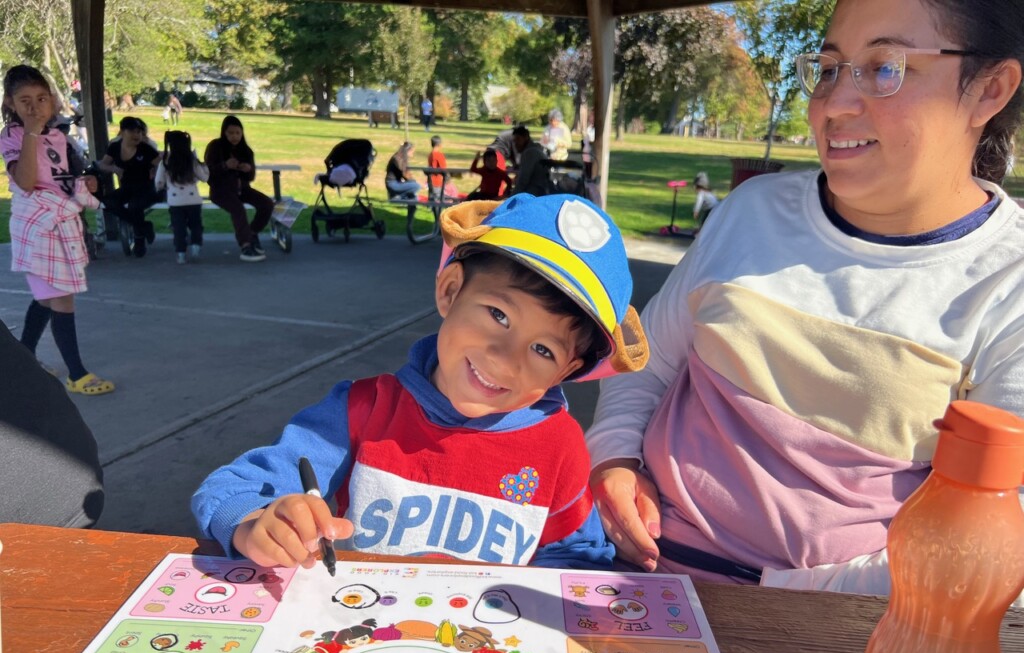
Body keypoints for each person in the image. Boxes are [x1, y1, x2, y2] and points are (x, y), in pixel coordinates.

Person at [586, 0, 1024, 594]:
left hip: (843, 623)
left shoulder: (1008, 282)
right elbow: (644, 361)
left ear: (990, 89)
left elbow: (994, 530)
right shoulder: (752, 211)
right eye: (827, 67)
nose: (834, 104)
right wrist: (615, 458)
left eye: (885, 66)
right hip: (638, 573)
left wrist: (784, 601)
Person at [191, 193, 650, 569]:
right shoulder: (362, 410)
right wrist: (255, 523)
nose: (506, 360)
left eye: (544, 350)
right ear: (450, 290)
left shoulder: (559, 447)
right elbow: (230, 487)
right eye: (498, 315)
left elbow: (576, 558)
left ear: (569, 370)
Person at [1, 65, 114, 396]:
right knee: (61, 298)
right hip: (37, 229)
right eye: (25, 101)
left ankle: (23, 358)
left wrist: (86, 183)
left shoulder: (59, 138)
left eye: (41, 99)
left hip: (61, 226)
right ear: (10, 103)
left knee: (47, 297)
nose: (34, 108)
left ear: (51, 101)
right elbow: (24, 181)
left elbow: (63, 180)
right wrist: (31, 133)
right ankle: (77, 374)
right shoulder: (12, 136)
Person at [0, 319, 104, 526]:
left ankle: (76, 371)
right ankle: (75, 370)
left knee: (56, 303)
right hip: (78, 487)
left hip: (32, 521)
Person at [204, 115, 275, 263]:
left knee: (267, 204)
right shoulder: (215, 147)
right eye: (230, 133)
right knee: (238, 209)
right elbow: (206, 173)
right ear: (224, 132)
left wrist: (247, 169)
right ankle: (246, 245)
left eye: (238, 133)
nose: (234, 136)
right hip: (220, 191)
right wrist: (224, 166)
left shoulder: (246, 150)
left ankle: (252, 232)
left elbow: (251, 177)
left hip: (242, 188)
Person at [97, 115, 162, 257]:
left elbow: (161, 162)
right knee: (108, 202)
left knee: (134, 206)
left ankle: (139, 240)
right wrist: (114, 169)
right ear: (123, 132)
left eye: (139, 132)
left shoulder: (145, 148)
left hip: (146, 188)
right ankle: (144, 226)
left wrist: (155, 172)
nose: (137, 135)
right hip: (127, 187)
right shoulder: (114, 147)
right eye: (132, 131)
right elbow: (102, 164)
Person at [155, 130, 208, 265]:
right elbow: (204, 177)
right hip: (194, 200)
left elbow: (159, 182)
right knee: (196, 225)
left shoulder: (166, 162)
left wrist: (160, 188)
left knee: (179, 228)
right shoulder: (192, 161)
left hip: (175, 202)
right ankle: (196, 247)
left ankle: (181, 254)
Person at [511, 126, 550, 197]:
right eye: (514, 141)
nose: (516, 144)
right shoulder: (536, 149)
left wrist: (511, 198)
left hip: (535, 192)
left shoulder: (530, 153)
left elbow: (523, 181)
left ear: (526, 138)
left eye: (518, 139)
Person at [426, 135, 458, 200]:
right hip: (437, 180)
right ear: (439, 144)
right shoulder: (439, 155)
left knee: (433, 197)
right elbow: (443, 168)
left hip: (430, 179)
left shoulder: (430, 154)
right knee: (438, 198)